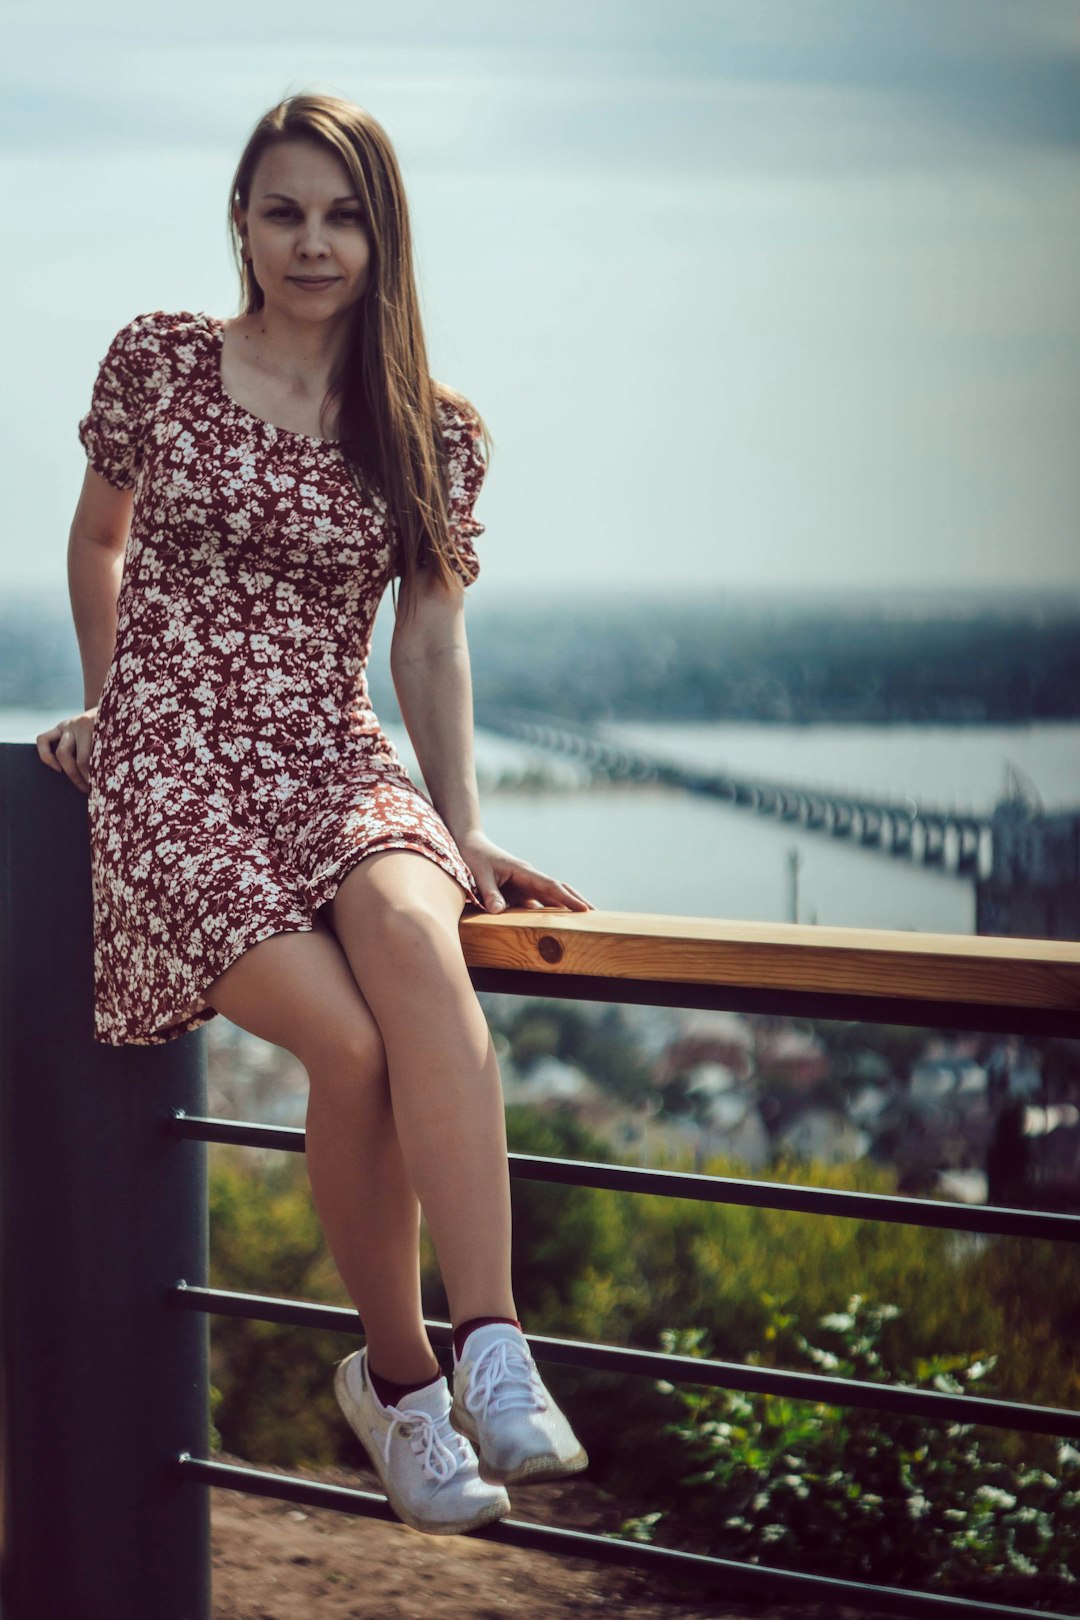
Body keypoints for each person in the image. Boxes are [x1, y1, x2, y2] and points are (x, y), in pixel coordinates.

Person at [38, 91, 595, 1538]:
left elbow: (427, 644)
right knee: (347, 1049)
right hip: (172, 763)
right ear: (241, 219)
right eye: (283, 210)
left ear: (383, 233)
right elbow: (97, 540)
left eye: (343, 214)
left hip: (327, 751)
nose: (313, 241)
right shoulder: (161, 362)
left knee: (422, 945)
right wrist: (116, 701)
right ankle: (402, 1393)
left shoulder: (430, 430)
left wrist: (456, 825)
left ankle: (495, 1347)